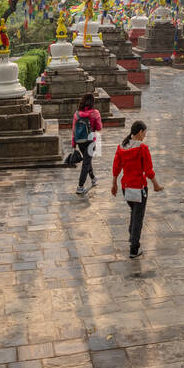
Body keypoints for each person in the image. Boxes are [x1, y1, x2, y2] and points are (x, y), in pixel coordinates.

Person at [111, 120, 162, 258]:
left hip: (125, 187)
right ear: (140, 132)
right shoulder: (142, 148)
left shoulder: (121, 147)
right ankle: (134, 248)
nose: (145, 136)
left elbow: (116, 167)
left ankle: (131, 234)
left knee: (134, 211)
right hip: (139, 187)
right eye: (144, 133)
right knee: (138, 216)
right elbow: (148, 170)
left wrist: (114, 183)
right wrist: (156, 185)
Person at [72, 93, 103, 196]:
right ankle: (80, 186)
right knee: (86, 162)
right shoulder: (95, 113)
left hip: (80, 141)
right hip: (90, 141)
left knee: (87, 160)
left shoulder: (77, 114)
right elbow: (99, 128)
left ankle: (93, 179)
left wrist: (73, 144)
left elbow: (73, 130)